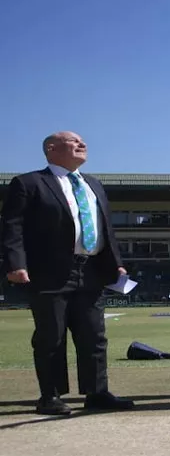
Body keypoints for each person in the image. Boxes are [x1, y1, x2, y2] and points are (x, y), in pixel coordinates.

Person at [0, 131, 135, 415]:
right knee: (52, 335)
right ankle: (50, 396)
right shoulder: (29, 183)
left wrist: (116, 263)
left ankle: (97, 393)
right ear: (51, 148)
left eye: (83, 140)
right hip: (48, 271)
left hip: (92, 270)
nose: (81, 144)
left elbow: (105, 229)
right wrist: (16, 263)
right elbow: (12, 227)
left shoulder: (93, 184)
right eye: (73, 141)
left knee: (94, 335)